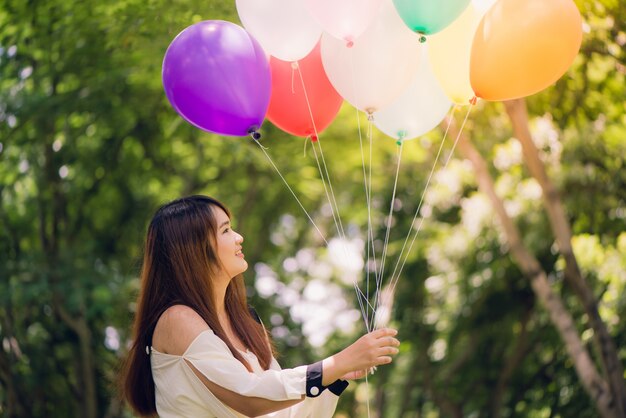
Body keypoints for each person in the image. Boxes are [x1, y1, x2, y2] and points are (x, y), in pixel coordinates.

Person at [120, 195, 400, 417]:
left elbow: (279, 412)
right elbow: (248, 398)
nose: (239, 237)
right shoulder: (177, 319)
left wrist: (335, 376)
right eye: (226, 230)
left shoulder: (247, 322)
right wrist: (336, 363)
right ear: (193, 248)